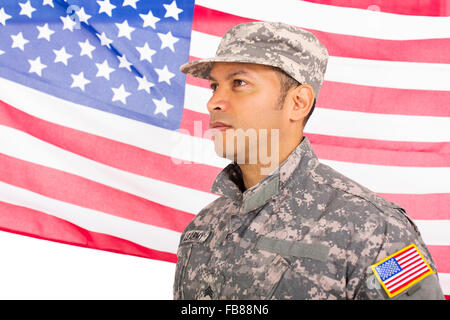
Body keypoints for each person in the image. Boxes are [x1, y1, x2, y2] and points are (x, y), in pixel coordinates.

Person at [173, 21, 444, 300]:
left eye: (239, 83)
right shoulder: (204, 226)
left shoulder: (377, 229)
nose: (214, 102)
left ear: (298, 102)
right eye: (214, 86)